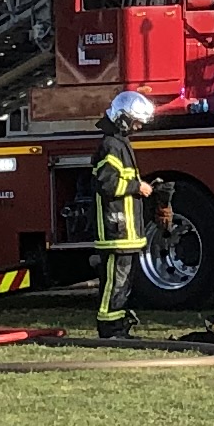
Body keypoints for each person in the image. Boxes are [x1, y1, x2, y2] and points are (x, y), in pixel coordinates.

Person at [88, 89, 156, 338]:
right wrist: (138, 187)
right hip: (115, 229)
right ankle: (108, 327)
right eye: (136, 122)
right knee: (114, 283)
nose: (137, 128)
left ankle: (117, 325)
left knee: (123, 283)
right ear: (123, 118)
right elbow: (106, 185)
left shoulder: (119, 144)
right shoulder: (110, 146)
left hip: (125, 230)